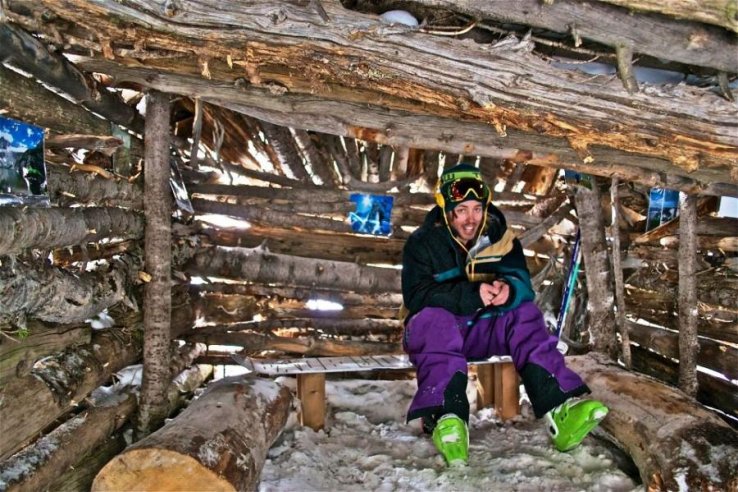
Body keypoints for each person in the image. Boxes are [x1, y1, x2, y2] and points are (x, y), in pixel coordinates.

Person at [401, 162, 608, 467]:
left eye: (477, 209)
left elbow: (522, 283)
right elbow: (416, 296)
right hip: (435, 333)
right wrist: (471, 295)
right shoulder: (422, 243)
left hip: (482, 330)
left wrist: (509, 290)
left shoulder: (500, 237)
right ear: (446, 210)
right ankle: (447, 418)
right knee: (434, 320)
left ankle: (560, 409)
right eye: (462, 210)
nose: (471, 219)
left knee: (524, 313)